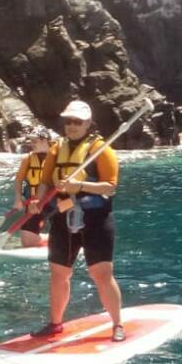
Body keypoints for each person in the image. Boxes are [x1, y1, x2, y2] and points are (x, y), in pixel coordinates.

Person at [29, 100, 125, 341]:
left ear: (88, 124)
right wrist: (38, 202)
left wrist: (79, 185)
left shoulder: (102, 150)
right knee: (58, 273)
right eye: (68, 121)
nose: (71, 126)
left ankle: (117, 325)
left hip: (96, 219)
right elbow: (46, 182)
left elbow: (111, 187)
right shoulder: (55, 148)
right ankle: (55, 324)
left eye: (77, 122)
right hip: (64, 217)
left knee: (101, 273)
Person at [10, 128, 54, 247]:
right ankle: (46, 240)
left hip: (55, 201)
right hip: (34, 202)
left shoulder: (58, 156)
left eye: (35, 141)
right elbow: (19, 179)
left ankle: (62, 239)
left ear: (45, 140)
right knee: (27, 242)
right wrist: (18, 198)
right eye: (31, 141)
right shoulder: (28, 159)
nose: (31, 144)